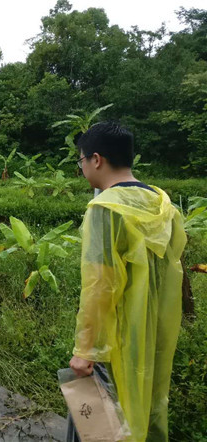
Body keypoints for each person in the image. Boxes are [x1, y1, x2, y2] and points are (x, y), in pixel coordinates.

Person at [68, 122, 186, 441]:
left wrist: (86, 349)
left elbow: (100, 284)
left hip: (113, 343)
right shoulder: (164, 204)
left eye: (80, 161)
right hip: (154, 335)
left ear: (96, 159)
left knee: (102, 428)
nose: (82, 169)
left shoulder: (104, 208)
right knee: (147, 408)